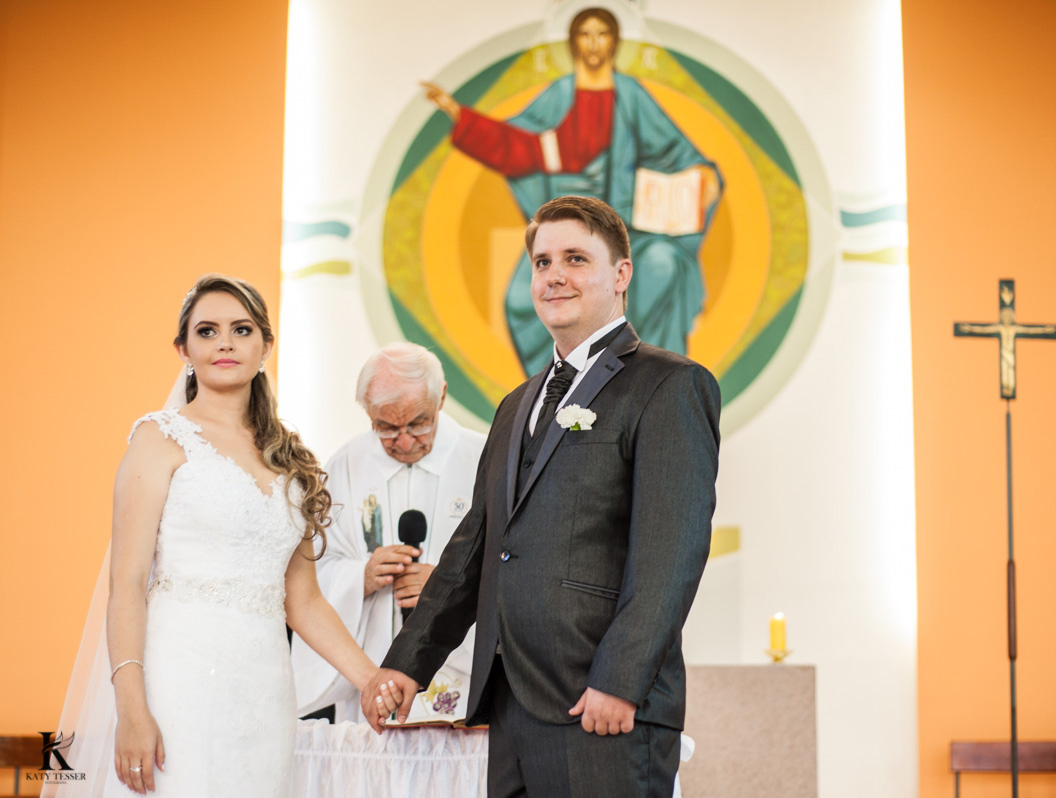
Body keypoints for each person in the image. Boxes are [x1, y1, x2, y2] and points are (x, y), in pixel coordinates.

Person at [367, 196, 721, 797]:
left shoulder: (668, 385)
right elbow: (476, 547)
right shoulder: (517, 404)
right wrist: (408, 661)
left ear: (621, 274)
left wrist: (621, 680)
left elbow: (671, 552)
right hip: (510, 703)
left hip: (600, 703)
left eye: (575, 258)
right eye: (541, 262)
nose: (553, 274)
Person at [64, 275, 382, 797]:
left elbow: (303, 602)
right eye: (207, 331)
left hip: (263, 688)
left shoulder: (290, 459)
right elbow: (127, 584)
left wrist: (370, 679)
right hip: (176, 680)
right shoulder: (159, 439)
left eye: (241, 329)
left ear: (266, 346)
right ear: (184, 349)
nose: (226, 343)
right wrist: (131, 708)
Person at [422, 6, 723, 376]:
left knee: (662, 265)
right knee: (519, 301)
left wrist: (703, 177)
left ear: (614, 43)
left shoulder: (630, 96)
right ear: (573, 43)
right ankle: (561, 393)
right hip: (567, 236)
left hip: (629, 234)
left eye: (603, 34)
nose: (594, 43)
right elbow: (514, 145)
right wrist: (458, 114)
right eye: (585, 34)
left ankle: (653, 383)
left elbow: (676, 152)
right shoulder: (560, 95)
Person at [291, 343, 485, 723]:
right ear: (367, 412)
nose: (405, 441)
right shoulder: (344, 466)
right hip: (370, 672)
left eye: (418, 423)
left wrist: (449, 586)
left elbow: (512, 563)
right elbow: (307, 574)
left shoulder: (483, 457)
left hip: (460, 676)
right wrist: (359, 577)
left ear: (441, 396)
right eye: (386, 427)